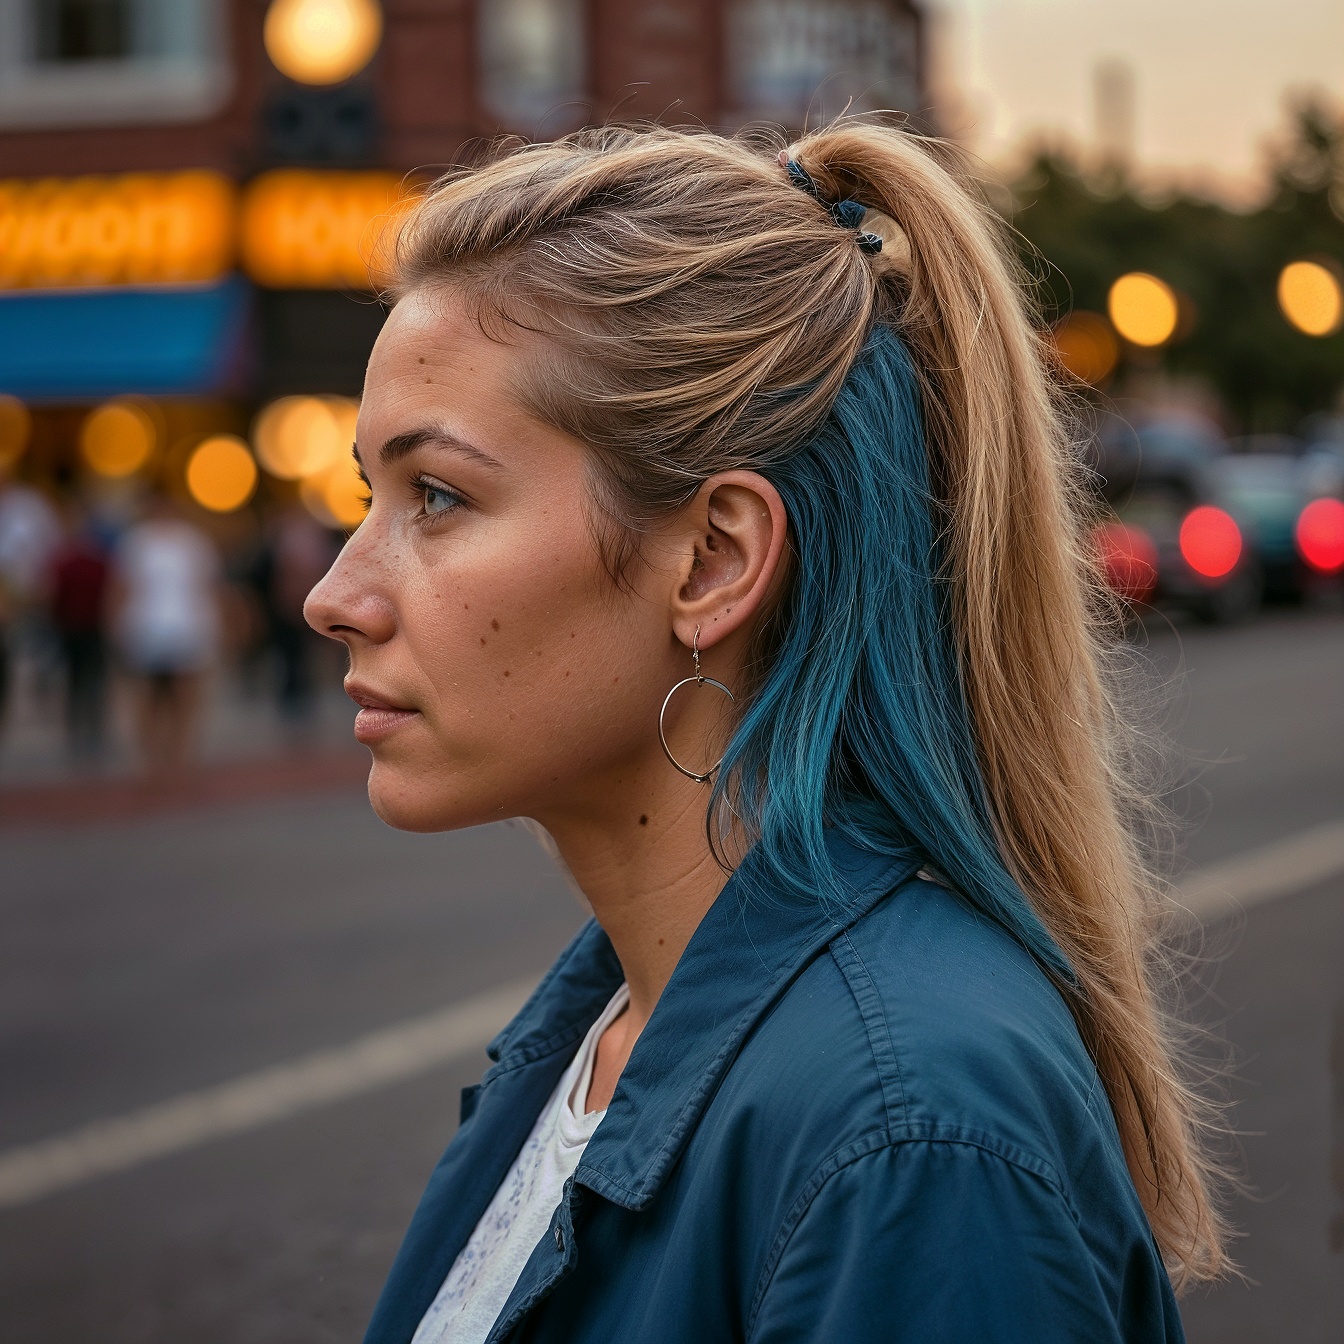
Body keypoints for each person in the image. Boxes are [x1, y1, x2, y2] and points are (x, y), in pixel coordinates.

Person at [305, 122, 1228, 1344]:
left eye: (438, 495)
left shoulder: (910, 1136)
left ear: (714, 560)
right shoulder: (609, 1027)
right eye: (370, 494)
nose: (336, 594)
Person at [110, 494, 221, 774]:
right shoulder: (136, 541)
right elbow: (122, 587)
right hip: (145, 626)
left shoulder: (192, 541)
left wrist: (211, 626)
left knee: (184, 696)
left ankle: (179, 756)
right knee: (146, 696)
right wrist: (116, 627)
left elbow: (206, 586)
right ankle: (151, 758)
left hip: (186, 627)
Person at [47, 504, 111, 757]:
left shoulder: (70, 562)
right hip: (80, 628)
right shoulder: (85, 562)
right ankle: (86, 726)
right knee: (86, 679)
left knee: (80, 680)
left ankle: (82, 726)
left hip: (82, 627)